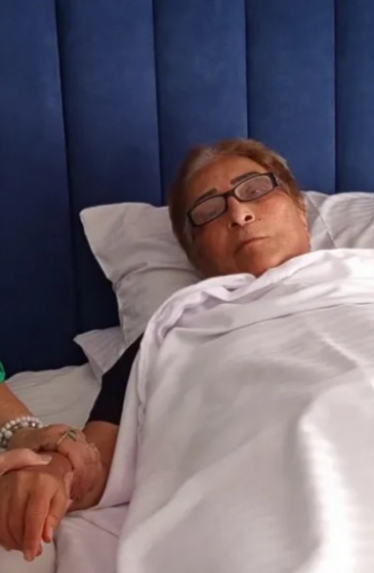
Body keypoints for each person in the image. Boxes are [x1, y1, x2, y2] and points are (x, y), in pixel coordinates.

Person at [0, 138, 312, 560]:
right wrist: (53, 468)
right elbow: (90, 461)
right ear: (197, 255)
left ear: (300, 208)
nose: (239, 213)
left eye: (255, 189)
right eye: (210, 210)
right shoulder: (176, 328)